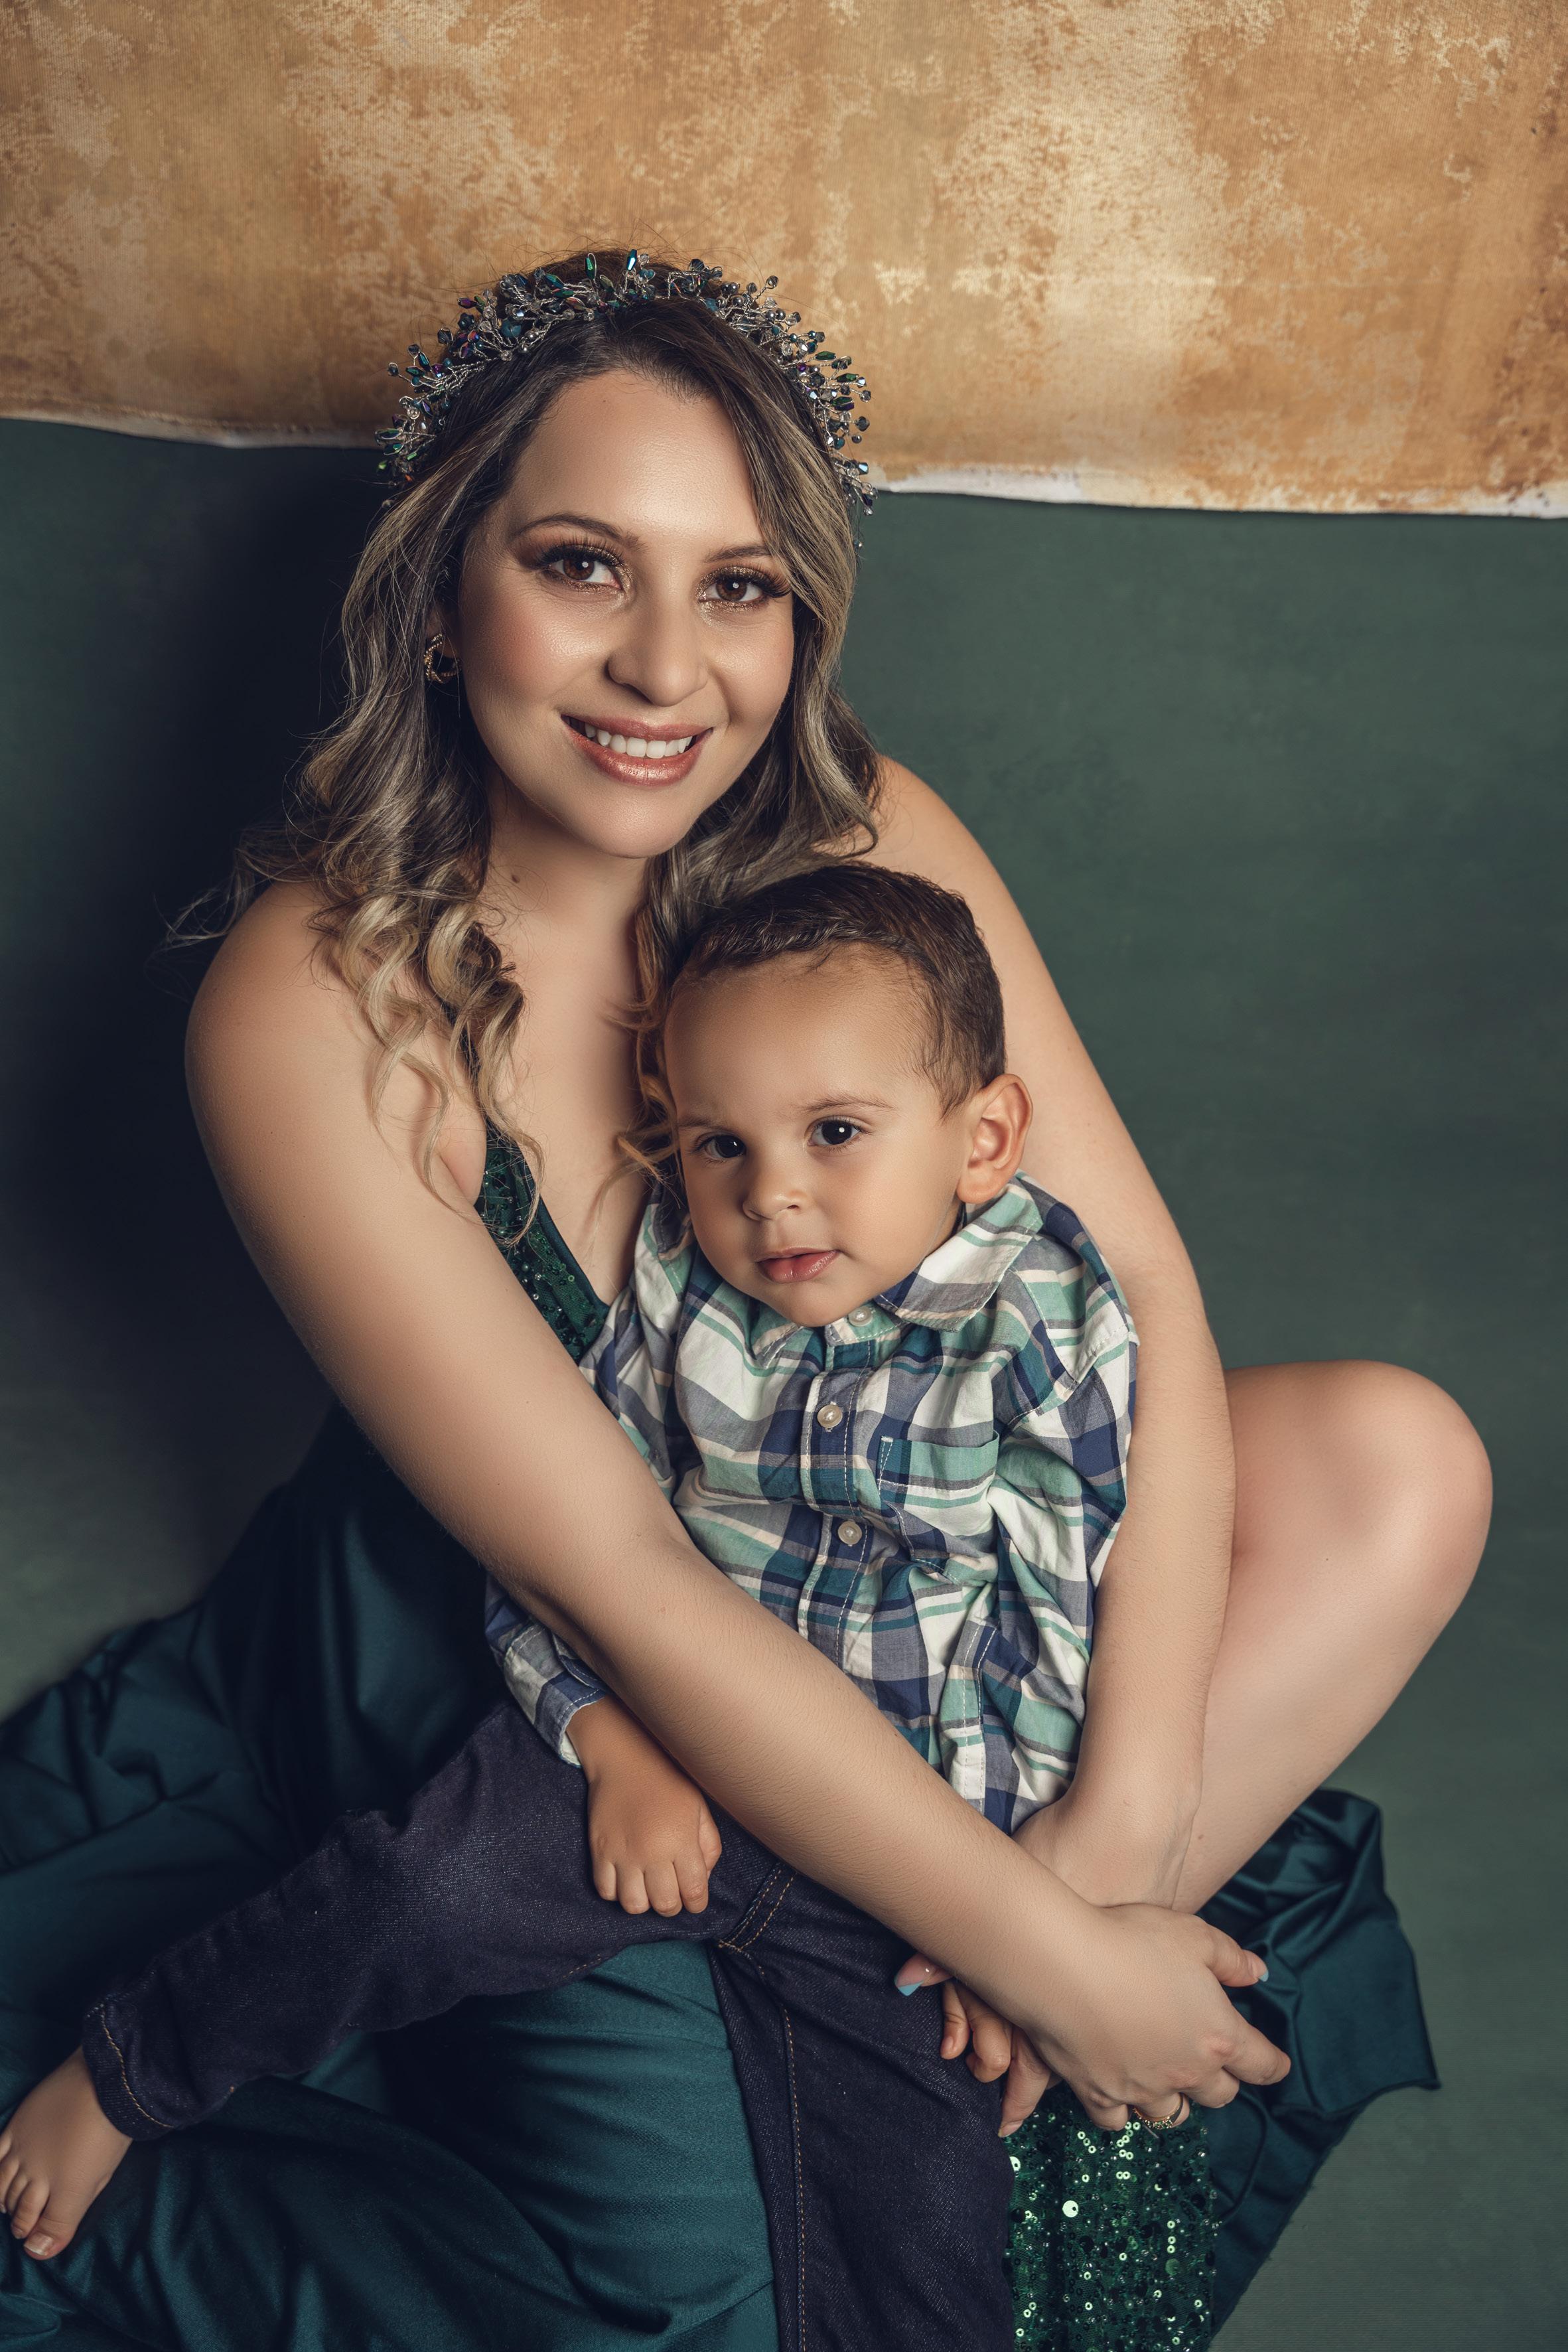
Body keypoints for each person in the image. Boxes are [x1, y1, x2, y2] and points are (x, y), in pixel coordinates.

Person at [0, 250, 1487, 2352]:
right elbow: (616, 1576)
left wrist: (1111, 1842)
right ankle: (154, 2193)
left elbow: (1131, 1289)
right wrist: (1053, 1969)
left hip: (887, 1542)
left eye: (739, 587)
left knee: (1398, 1465)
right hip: (543, 1660)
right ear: (439, 595)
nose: (663, 666)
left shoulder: (865, 836)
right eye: (581, 566)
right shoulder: (309, 1001)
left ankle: (944, 1985)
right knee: (701, 2295)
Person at [7, 861, 1216, 2352]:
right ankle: (131, 2069)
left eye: (836, 1134)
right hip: (678, 1745)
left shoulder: (1042, 1312)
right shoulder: (681, 1300)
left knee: (926, 2242)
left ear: (984, 1137)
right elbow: (571, 1565)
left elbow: (1068, 1604)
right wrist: (607, 1737)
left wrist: (1034, 1903)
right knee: (423, 1888)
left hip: (908, 1863)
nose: (772, 1193)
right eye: (720, 1145)